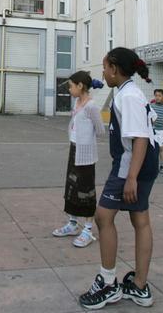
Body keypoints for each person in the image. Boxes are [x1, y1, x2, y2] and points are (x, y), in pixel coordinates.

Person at [79, 47, 159, 310]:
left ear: (114, 68)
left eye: (104, 67)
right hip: (139, 164)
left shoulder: (129, 96)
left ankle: (108, 284)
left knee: (103, 216)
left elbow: (141, 139)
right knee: (140, 219)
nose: (102, 72)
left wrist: (131, 178)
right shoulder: (128, 92)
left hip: (132, 166)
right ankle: (139, 286)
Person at [52, 71, 105, 248]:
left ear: (80, 86)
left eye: (71, 86)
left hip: (86, 156)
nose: (69, 89)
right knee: (72, 188)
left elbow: (100, 130)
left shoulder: (92, 106)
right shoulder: (77, 101)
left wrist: (85, 139)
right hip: (74, 150)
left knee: (86, 191)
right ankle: (73, 224)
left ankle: (88, 230)